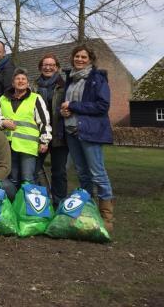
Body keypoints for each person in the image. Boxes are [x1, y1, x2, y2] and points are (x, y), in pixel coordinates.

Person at [61, 44, 115, 232]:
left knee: (97, 173)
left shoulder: (97, 79)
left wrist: (74, 106)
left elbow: (102, 106)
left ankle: (107, 217)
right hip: (72, 132)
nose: (80, 60)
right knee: (82, 174)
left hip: (90, 133)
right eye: (77, 56)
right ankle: (89, 210)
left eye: (84, 57)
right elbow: (68, 103)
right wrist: (65, 109)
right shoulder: (70, 79)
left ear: (90, 60)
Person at [0, 68, 51, 189]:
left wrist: (44, 140)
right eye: (17, 79)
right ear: (13, 83)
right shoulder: (3, 98)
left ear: (28, 83)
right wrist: (3, 122)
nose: (20, 81)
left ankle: (28, 207)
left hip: (28, 146)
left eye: (23, 79)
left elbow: (44, 121)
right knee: (12, 179)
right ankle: (14, 206)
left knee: (27, 179)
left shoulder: (36, 98)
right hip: (8, 145)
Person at [33, 53, 69, 206]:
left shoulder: (64, 85)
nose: (48, 67)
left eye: (51, 65)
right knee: (34, 168)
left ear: (57, 68)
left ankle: (59, 203)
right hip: (39, 134)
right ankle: (42, 200)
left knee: (59, 171)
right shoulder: (33, 86)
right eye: (45, 65)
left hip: (59, 133)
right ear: (41, 67)